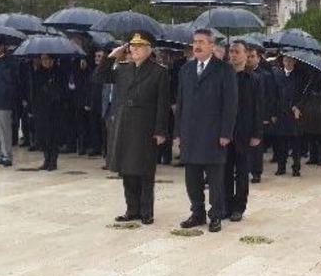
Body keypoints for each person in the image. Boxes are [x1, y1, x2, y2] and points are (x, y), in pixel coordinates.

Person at [94, 32, 171, 225]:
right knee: (127, 169)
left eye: (139, 46)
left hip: (145, 125)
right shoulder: (123, 68)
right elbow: (99, 77)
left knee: (144, 170)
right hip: (124, 123)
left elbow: (163, 103)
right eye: (132, 46)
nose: (134, 49)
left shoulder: (159, 71)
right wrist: (111, 56)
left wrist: (161, 130)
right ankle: (132, 209)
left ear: (148, 49)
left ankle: (146, 211)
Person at [175, 29, 238, 233]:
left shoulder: (224, 70)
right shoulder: (186, 69)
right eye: (195, 42)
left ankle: (216, 215)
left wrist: (226, 133)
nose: (197, 45)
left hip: (214, 135)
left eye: (201, 42)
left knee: (215, 181)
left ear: (212, 46)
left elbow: (230, 105)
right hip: (190, 134)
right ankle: (197, 213)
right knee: (192, 179)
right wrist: (178, 132)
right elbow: (181, 103)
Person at [224, 40, 263, 222]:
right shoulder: (223, 75)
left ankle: (238, 207)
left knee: (241, 172)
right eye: (231, 51)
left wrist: (257, 134)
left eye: (237, 51)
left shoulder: (254, 79)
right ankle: (225, 205)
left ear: (246, 55)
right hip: (225, 132)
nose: (233, 55)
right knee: (224, 171)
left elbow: (258, 108)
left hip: (244, 132)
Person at [30, 54, 67, 171]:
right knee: (43, 136)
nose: (44, 62)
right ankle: (46, 159)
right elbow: (33, 90)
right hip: (41, 109)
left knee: (53, 136)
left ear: (52, 60)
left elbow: (63, 90)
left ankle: (53, 161)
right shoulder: (38, 73)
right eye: (42, 59)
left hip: (55, 110)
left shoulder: (59, 73)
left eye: (47, 59)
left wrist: (52, 90)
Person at [248, 42, 276, 183]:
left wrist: (267, 116)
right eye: (248, 56)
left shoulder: (265, 76)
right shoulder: (241, 74)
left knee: (257, 146)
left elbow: (270, 97)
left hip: (259, 115)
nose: (250, 59)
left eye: (253, 56)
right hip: (244, 114)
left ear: (259, 58)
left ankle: (256, 172)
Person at [272, 55, 305, 177]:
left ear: (295, 61)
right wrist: (274, 113)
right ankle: (281, 167)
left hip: (295, 115)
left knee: (296, 144)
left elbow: (304, 95)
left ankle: (296, 168)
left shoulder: (300, 77)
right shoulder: (277, 76)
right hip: (281, 114)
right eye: (286, 60)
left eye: (291, 60)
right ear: (283, 61)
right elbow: (274, 95)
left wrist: (298, 106)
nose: (288, 63)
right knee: (281, 143)